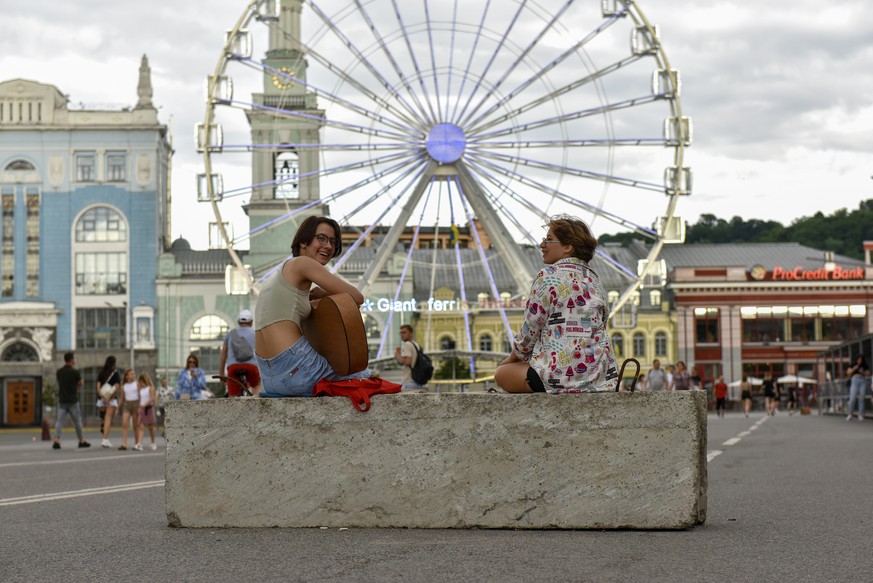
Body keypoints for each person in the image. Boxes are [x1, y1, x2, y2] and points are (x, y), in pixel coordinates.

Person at [494, 215, 617, 393]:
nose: (542, 245)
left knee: (502, 373)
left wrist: (512, 359)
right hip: (598, 378)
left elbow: (530, 330)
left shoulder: (548, 276)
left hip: (556, 378)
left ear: (568, 247)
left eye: (549, 240)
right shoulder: (594, 280)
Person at [254, 215, 371, 397]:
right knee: (366, 377)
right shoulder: (303, 263)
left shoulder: (283, 272)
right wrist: (324, 293)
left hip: (270, 378)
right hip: (296, 367)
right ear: (303, 242)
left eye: (333, 241)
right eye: (321, 238)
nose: (329, 246)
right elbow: (356, 297)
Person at [52, 352, 90, 450]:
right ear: (71, 359)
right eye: (74, 359)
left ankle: (56, 440)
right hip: (73, 401)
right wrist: (75, 385)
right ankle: (81, 441)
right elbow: (81, 383)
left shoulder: (59, 372)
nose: (75, 360)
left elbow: (60, 383)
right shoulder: (75, 372)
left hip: (62, 400)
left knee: (59, 421)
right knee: (77, 421)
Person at [219, 308, 260, 396]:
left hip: (233, 367)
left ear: (238, 322)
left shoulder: (230, 334)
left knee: (232, 397)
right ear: (251, 322)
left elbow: (223, 356)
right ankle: (255, 402)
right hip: (251, 366)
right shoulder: (255, 333)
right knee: (256, 385)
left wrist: (221, 374)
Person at [96, 356, 121, 448]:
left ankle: (103, 428)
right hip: (111, 399)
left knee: (103, 417)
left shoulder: (101, 372)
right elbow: (117, 387)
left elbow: (98, 385)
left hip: (101, 399)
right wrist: (111, 398)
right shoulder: (115, 373)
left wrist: (101, 396)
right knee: (108, 418)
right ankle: (105, 439)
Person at [395, 324, 425, 392]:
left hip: (409, 381)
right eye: (401, 333)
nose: (402, 335)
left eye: (404, 332)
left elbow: (407, 362)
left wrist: (397, 355)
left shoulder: (407, 344)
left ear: (410, 333)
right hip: (418, 381)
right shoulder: (417, 345)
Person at [116, 369, 141, 451]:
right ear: (127, 376)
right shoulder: (124, 386)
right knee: (124, 423)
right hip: (127, 405)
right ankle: (124, 444)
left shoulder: (137, 384)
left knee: (135, 425)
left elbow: (141, 395)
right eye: (131, 374)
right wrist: (117, 408)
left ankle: (137, 443)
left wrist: (140, 406)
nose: (133, 375)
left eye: (134, 374)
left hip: (135, 404)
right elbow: (121, 398)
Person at [136, 372, 158, 450]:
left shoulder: (151, 388)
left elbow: (152, 398)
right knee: (141, 426)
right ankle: (139, 443)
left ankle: (153, 442)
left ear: (143, 380)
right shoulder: (141, 389)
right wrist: (140, 407)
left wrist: (144, 404)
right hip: (142, 409)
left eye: (141, 381)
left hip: (149, 409)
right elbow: (141, 399)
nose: (140, 383)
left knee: (151, 428)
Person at [846, 354, 871, 421]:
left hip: (862, 380)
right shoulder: (852, 364)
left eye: (861, 359)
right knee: (852, 398)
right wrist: (854, 368)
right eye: (858, 359)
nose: (859, 360)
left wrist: (863, 372)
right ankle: (850, 414)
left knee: (861, 398)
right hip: (854, 379)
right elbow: (848, 372)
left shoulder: (864, 365)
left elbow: (868, 373)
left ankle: (860, 414)